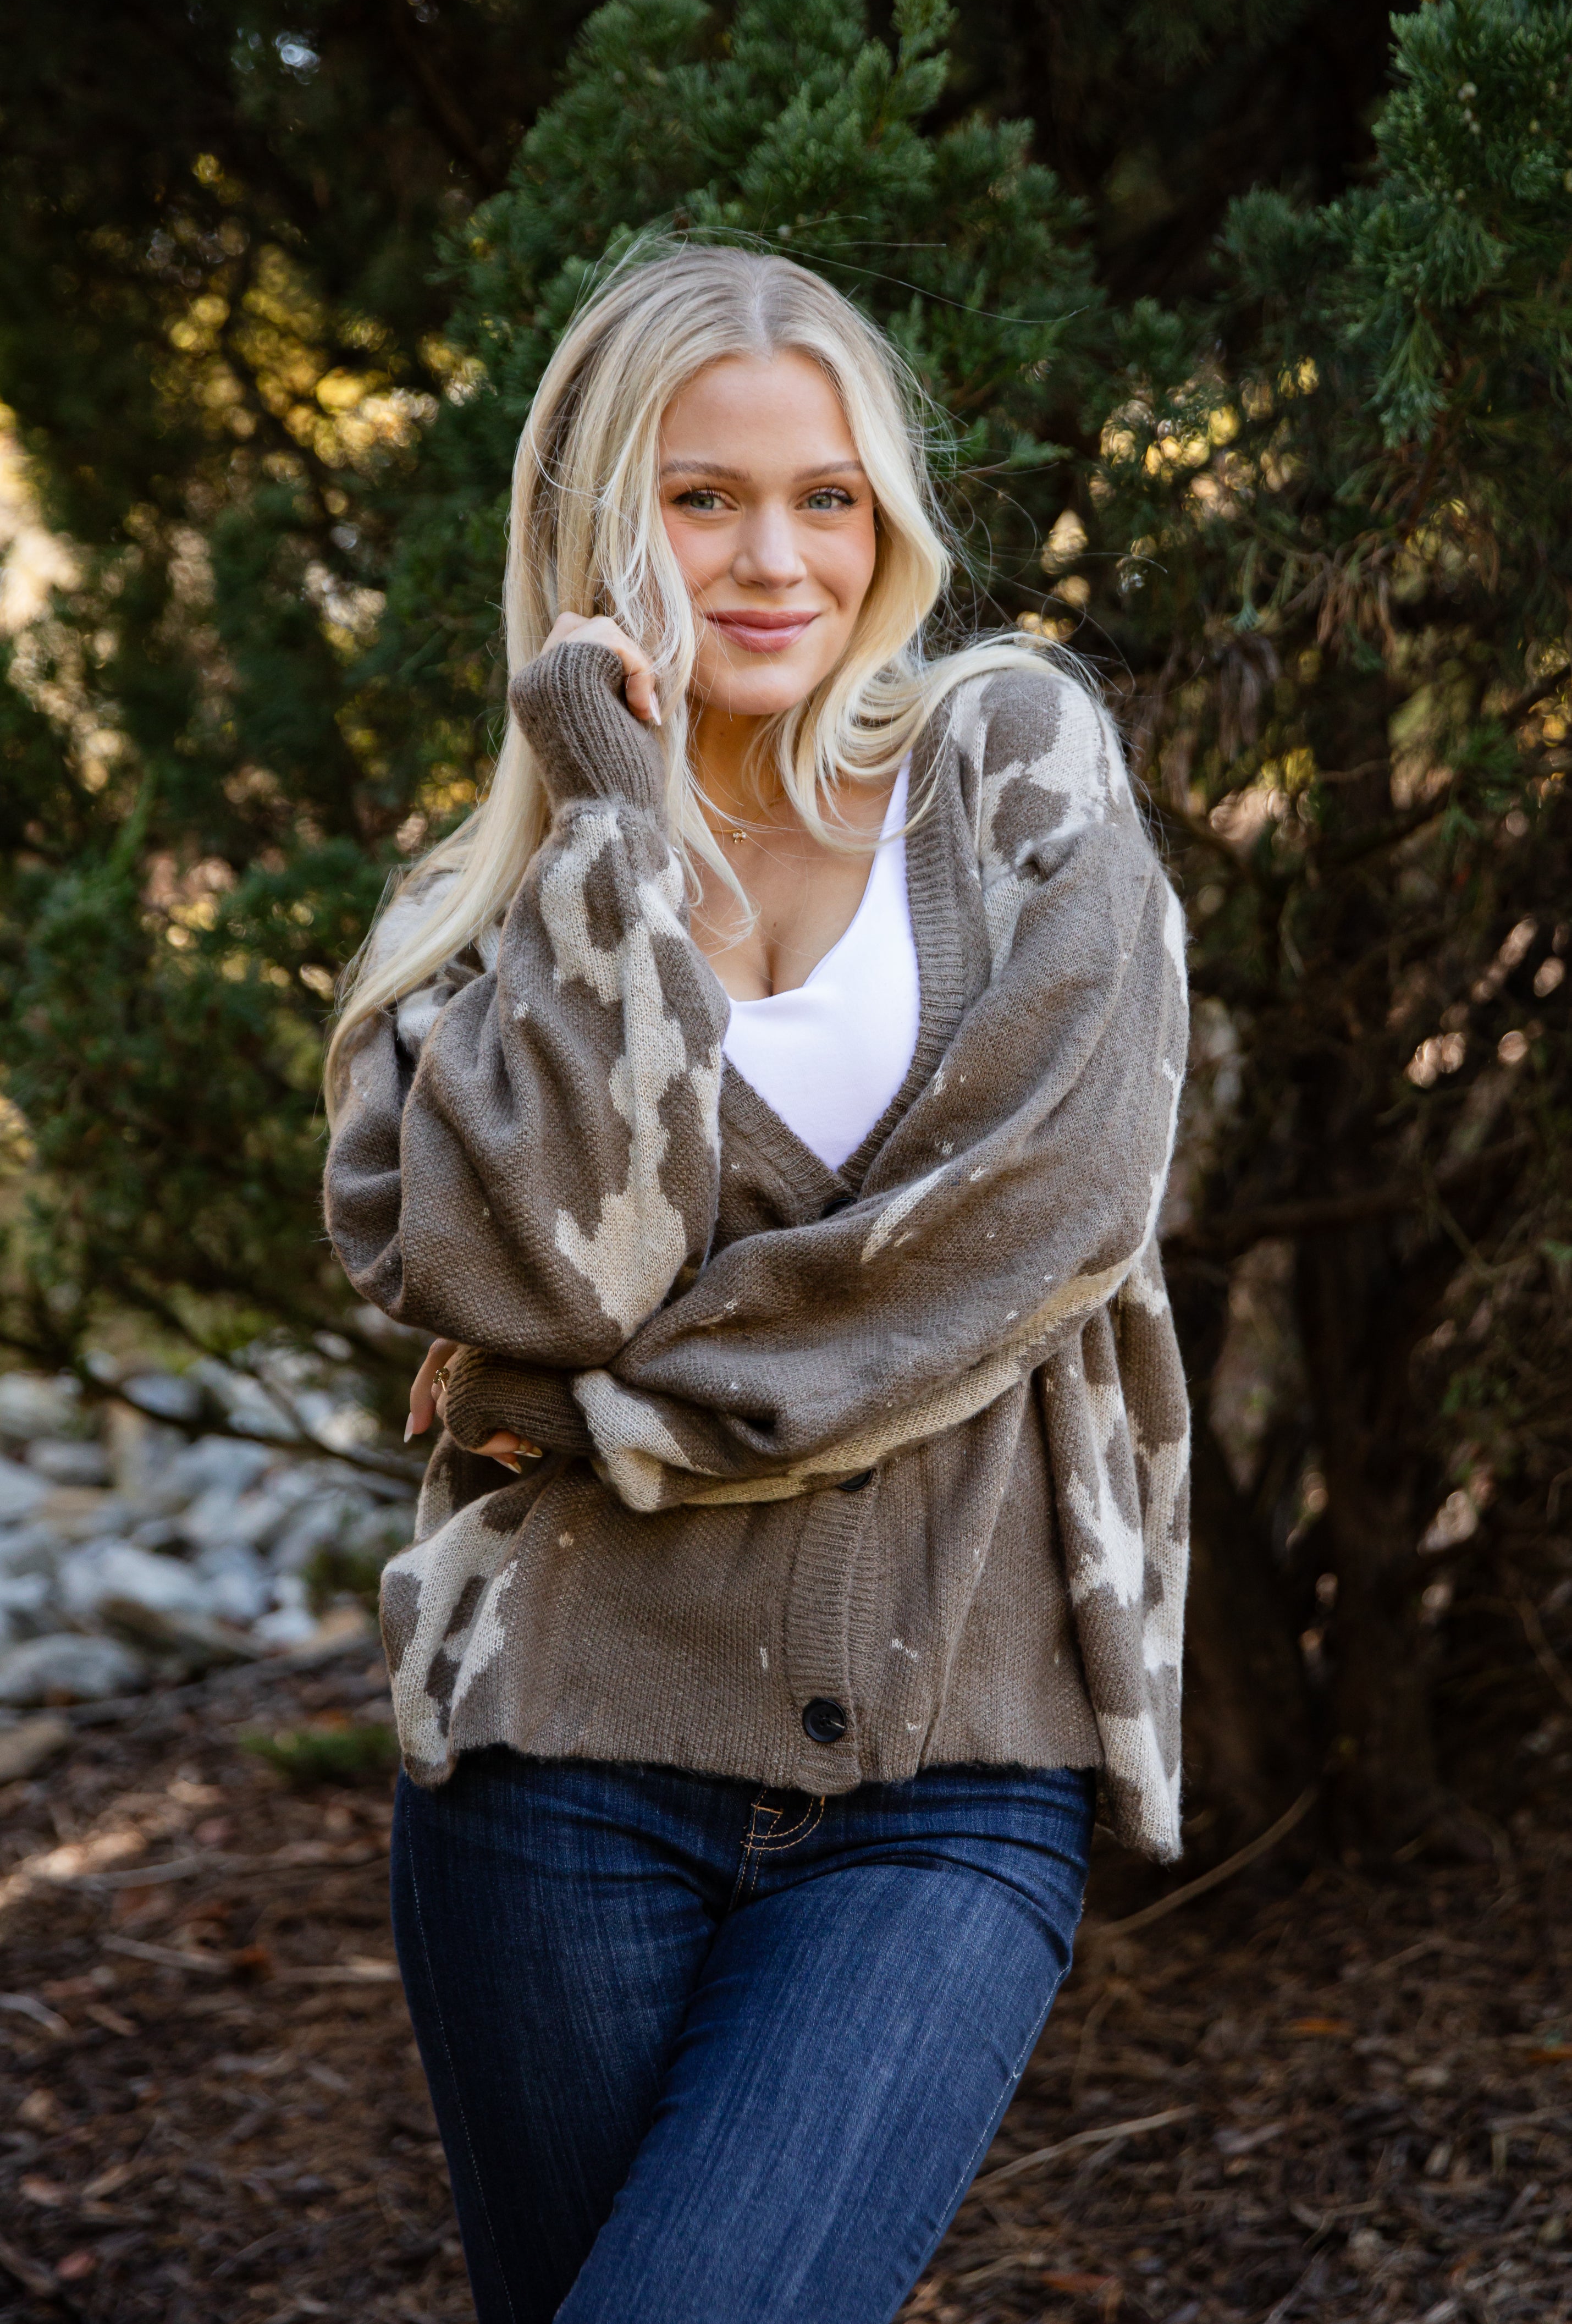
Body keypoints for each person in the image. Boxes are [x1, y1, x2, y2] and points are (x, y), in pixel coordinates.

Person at [323, 243, 1190, 2324]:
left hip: (950, 1777)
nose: (775, 559)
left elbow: (1038, 1229)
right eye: (703, 499)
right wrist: (612, 829)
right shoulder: (479, 927)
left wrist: (604, 1419)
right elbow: (549, 1264)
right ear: (594, 525)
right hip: (555, 1772)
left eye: (828, 499)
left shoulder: (1009, 771)